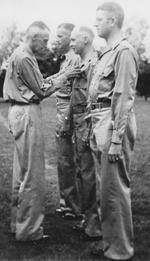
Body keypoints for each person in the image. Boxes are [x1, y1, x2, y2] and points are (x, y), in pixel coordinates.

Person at [3, 21, 70, 241]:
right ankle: (30, 230)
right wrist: (65, 76)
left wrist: (59, 76)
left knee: (21, 171)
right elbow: (41, 90)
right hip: (27, 113)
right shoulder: (25, 57)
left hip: (18, 111)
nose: (46, 45)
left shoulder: (19, 54)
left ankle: (18, 224)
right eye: (44, 40)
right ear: (33, 37)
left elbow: (38, 83)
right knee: (32, 174)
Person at [87, 2, 138, 260]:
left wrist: (117, 139)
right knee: (105, 189)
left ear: (113, 20)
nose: (95, 23)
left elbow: (124, 96)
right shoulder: (107, 52)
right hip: (100, 118)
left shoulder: (124, 51)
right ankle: (112, 244)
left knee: (115, 189)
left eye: (100, 19)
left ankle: (120, 250)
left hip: (112, 121)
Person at [68, 26, 102, 239]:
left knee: (90, 174)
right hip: (78, 121)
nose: (71, 44)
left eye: (74, 40)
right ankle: (87, 219)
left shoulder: (94, 64)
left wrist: (87, 126)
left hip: (87, 123)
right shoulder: (80, 62)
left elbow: (93, 98)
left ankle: (95, 226)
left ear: (86, 39)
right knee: (82, 172)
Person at [50, 23, 81, 219]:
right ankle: (67, 203)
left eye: (61, 36)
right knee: (63, 160)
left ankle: (74, 207)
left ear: (71, 38)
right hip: (61, 109)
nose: (56, 39)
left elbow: (75, 94)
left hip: (67, 111)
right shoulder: (65, 60)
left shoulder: (75, 59)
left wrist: (67, 120)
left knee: (69, 160)